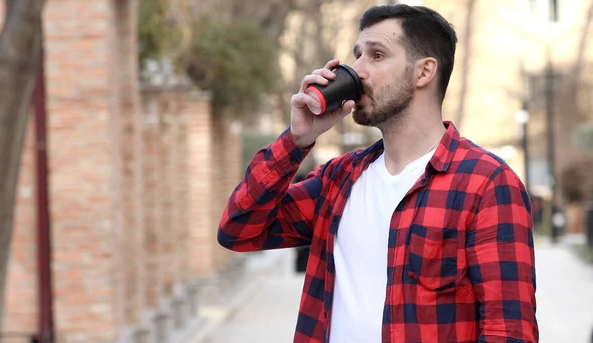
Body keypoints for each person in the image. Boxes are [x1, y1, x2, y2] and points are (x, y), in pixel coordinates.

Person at [218, 4, 538, 343]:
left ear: (424, 72)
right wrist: (297, 140)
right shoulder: (339, 179)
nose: (357, 71)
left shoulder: (486, 184)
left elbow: (509, 332)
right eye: (357, 56)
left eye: (377, 55)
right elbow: (238, 230)